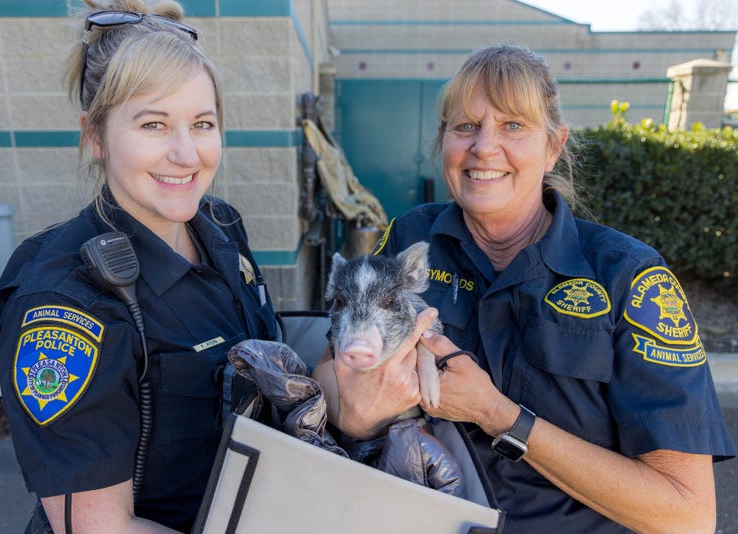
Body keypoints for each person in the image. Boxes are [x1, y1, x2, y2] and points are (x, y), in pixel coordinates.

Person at [313, 44, 736, 532]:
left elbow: (687, 514)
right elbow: (331, 365)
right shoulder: (410, 239)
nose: (484, 147)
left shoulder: (630, 278)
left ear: (554, 145)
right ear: (443, 140)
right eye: (465, 126)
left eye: (513, 125)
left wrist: (497, 414)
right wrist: (356, 414)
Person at [0, 1, 277, 531]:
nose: (187, 154)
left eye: (203, 123)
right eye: (153, 124)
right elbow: (99, 529)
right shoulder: (65, 303)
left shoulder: (221, 226)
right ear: (95, 135)